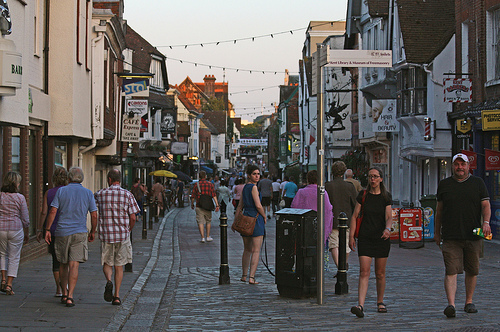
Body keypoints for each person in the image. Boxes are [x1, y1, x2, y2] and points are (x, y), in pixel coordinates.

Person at [434, 153, 491, 318]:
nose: (460, 167)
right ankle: (451, 304)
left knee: (472, 269)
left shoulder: (478, 183)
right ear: (453, 166)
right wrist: (437, 233)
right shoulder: (445, 184)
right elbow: (439, 211)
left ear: (468, 166)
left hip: (473, 234)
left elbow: (486, 206)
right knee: (451, 269)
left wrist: (486, 222)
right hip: (451, 235)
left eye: (463, 164)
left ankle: (469, 301)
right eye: (457, 164)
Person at [44, 167, 98, 307]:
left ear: (69, 178)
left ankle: (63, 292)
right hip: (80, 232)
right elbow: (93, 214)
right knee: (74, 264)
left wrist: (48, 229)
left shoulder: (62, 191)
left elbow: (53, 211)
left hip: (62, 232)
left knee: (63, 263)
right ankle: (70, 296)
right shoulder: (87, 193)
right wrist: (93, 231)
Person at [349, 167, 392, 318]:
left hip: (381, 238)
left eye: (375, 177)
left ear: (381, 179)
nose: (372, 179)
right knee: (364, 271)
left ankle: (380, 301)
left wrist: (387, 229)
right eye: (370, 177)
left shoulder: (386, 196)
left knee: (380, 273)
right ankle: (360, 304)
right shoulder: (363, 195)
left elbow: (389, 217)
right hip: (365, 237)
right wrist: (351, 236)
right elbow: (354, 216)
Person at [94, 169, 140, 306]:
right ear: (120, 180)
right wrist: (129, 229)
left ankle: (109, 281)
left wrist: (92, 230)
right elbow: (133, 216)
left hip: (106, 234)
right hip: (122, 235)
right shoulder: (127, 195)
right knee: (119, 266)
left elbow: (94, 213)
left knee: (107, 263)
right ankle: (117, 296)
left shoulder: (100, 194)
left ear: (109, 179)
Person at [36, 167, 68, 297]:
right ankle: (65, 286)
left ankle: (59, 289)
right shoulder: (68, 192)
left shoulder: (48, 193)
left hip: (53, 230)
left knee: (55, 259)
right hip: (67, 229)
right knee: (66, 260)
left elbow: (44, 212)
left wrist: (40, 228)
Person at [235, 165, 266, 284]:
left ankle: (244, 275)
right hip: (255, 219)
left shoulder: (245, 187)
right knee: (256, 250)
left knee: (247, 249)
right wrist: (264, 215)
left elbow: (240, 205)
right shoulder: (253, 188)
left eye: (258, 174)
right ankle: (251, 277)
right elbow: (258, 205)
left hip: (245, 218)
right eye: (254, 174)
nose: (257, 176)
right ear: (249, 175)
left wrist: (237, 219)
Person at [325, 161, 357, 276]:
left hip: (332, 220)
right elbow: (355, 203)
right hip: (347, 219)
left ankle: (340, 267)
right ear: (343, 172)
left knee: (334, 244)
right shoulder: (349, 186)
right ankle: (343, 265)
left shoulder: (327, 186)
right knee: (346, 244)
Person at [0, 172, 29, 296]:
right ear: (16, 183)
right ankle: (9, 285)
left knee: (2, 254)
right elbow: (25, 218)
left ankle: (3, 279)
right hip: (16, 229)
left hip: (1, 228)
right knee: (14, 257)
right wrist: (27, 230)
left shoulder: (0, 196)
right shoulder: (20, 198)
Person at [291, 170, 333, 246]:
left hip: (305, 230)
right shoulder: (323, 192)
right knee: (322, 253)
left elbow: (294, 208)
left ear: (308, 179)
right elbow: (328, 210)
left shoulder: (301, 192)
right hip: (320, 229)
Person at [191, 171, 219, 243]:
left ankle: (202, 237)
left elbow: (193, 195)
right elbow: (214, 195)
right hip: (207, 205)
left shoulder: (196, 184)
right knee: (208, 221)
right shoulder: (210, 184)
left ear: (199, 177)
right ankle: (208, 236)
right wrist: (217, 205)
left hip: (199, 205)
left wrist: (192, 204)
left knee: (200, 222)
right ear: (205, 176)